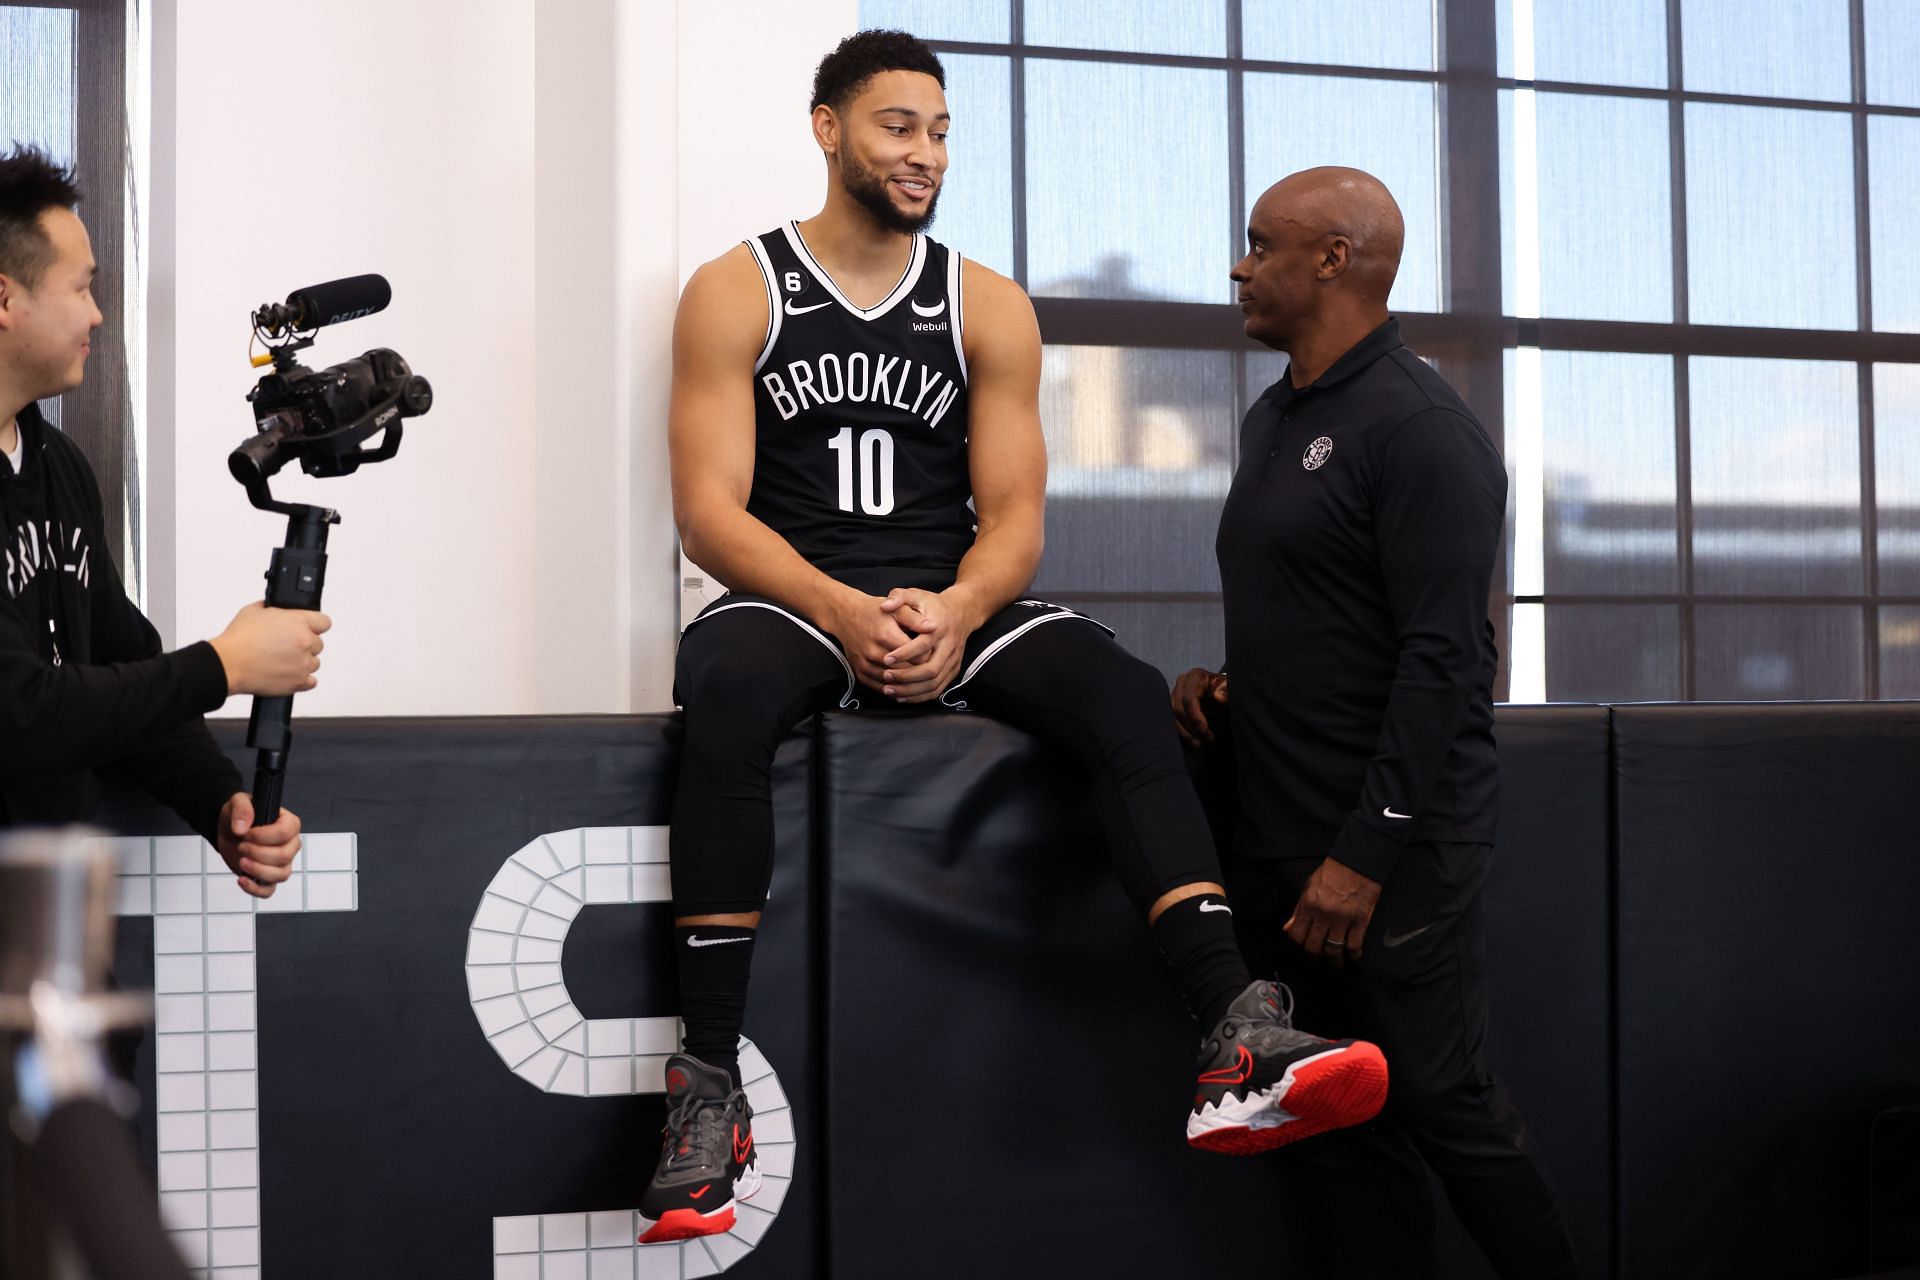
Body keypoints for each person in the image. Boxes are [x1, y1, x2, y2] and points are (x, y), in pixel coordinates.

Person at [640, 32, 1388, 1244]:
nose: (924, 152)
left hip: (950, 594)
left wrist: (959, 609)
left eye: (939, 130)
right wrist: (843, 608)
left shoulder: (984, 301)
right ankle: (707, 1086)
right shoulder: (737, 288)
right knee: (721, 683)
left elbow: (1019, 517)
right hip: (798, 596)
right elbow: (708, 513)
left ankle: (1235, 1026)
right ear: (828, 128)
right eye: (897, 126)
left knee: (1119, 685)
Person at [1172, 166, 1579, 1278]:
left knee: (1447, 1101)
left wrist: (1364, 854)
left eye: (1261, 244)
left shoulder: (1424, 429)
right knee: (1338, 1125)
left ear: (1334, 259)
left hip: (1389, 853)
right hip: (1280, 838)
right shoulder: (1274, 419)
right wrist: (1224, 685)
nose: (1239, 266)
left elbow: (1445, 660)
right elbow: (1320, 613)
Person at [0, 144, 327, 897]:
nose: (97, 312)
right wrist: (225, 665)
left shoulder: (60, 467)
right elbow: (21, 713)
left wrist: (221, 806)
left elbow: (122, 665)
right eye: (80, 288)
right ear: (7, 298)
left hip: (54, 920)